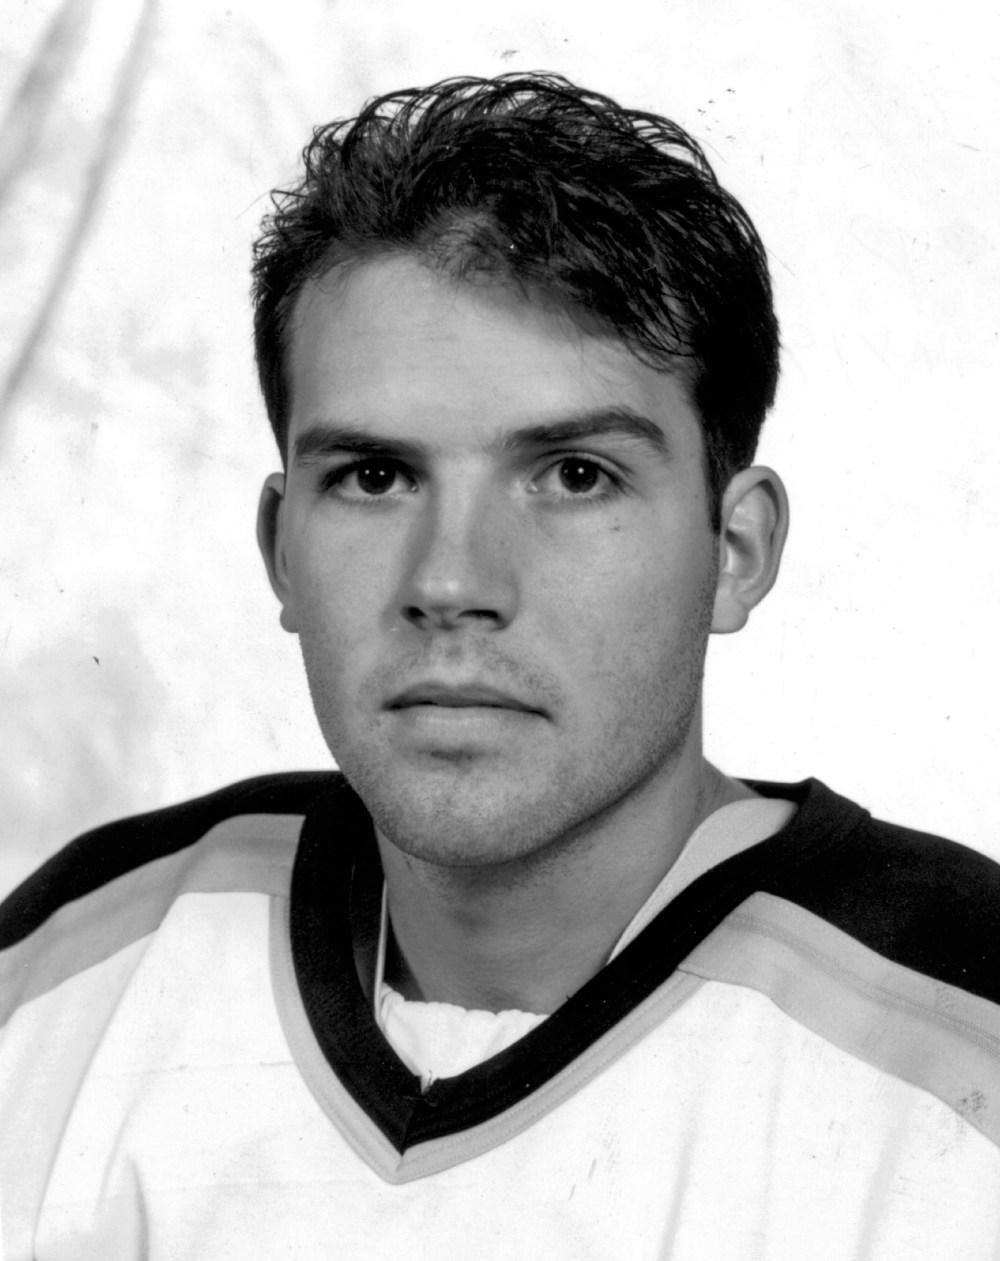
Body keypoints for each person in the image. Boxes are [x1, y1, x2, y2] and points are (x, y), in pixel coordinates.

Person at [1, 73, 998, 1259]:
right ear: (278, 549)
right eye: (374, 477)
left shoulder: (961, 1044)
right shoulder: (70, 967)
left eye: (575, 474)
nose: (454, 580)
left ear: (733, 551)